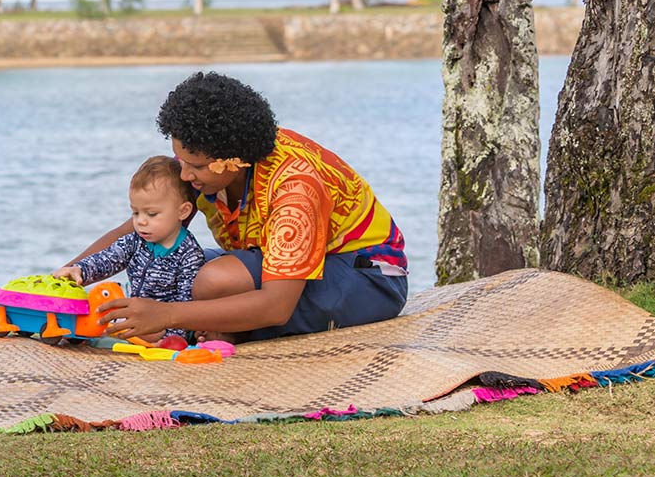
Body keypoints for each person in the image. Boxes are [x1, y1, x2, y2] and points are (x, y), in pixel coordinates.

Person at [79, 72, 409, 344]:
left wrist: (166, 313)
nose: (184, 174)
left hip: (368, 276)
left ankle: (220, 330)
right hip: (283, 265)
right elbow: (140, 229)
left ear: (236, 160)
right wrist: (66, 280)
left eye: (194, 165)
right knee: (165, 262)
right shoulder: (206, 170)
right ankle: (213, 327)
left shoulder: (295, 185)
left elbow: (277, 305)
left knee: (213, 282)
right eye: (180, 160)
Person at [50, 156, 206, 345]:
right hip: (135, 313)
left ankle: (155, 340)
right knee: (102, 301)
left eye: (152, 214)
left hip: (163, 324)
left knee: (143, 328)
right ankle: (81, 328)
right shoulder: (135, 241)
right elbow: (107, 259)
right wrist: (80, 269)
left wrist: (169, 336)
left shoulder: (188, 254)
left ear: (183, 211)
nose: (140, 221)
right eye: (135, 212)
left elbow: (184, 305)